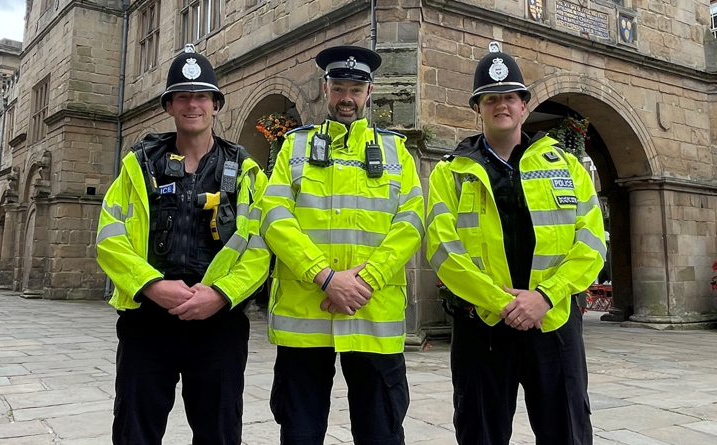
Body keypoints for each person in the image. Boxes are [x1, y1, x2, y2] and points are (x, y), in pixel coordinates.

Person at [426, 41, 606, 445]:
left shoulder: (567, 167)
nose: (500, 105)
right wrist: (505, 303)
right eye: (490, 98)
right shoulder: (450, 173)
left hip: (553, 322)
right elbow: (442, 250)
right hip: (482, 325)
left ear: (525, 104)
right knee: (480, 433)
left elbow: (592, 243)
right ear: (477, 108)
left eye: (509, 97)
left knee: (567, 433)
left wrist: (544, 297)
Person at [96, 44, 270, 445]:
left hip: (219, 323)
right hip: (148, 319)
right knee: (134, 432)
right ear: (170, 106)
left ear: (216, 105)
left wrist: (222, 294)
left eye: (201, 96)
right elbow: (110, 238)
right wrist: (153, 286)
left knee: (219, 433)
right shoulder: (139, 164)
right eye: (183, 96)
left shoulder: (244, 170)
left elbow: (260, 247)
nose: (193, 104)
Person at [259, 45, 424, 445]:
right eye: (338, 88)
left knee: (381, 432)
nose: (346, 98)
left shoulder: (396, 152)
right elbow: (274, 218)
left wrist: (362, 281)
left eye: (355, 88)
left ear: (369, 92)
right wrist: (326, 277)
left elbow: (412, 221)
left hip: (372, 314)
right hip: (306, 315)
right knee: (300, 432)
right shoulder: (294, 148)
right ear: (324, 88)